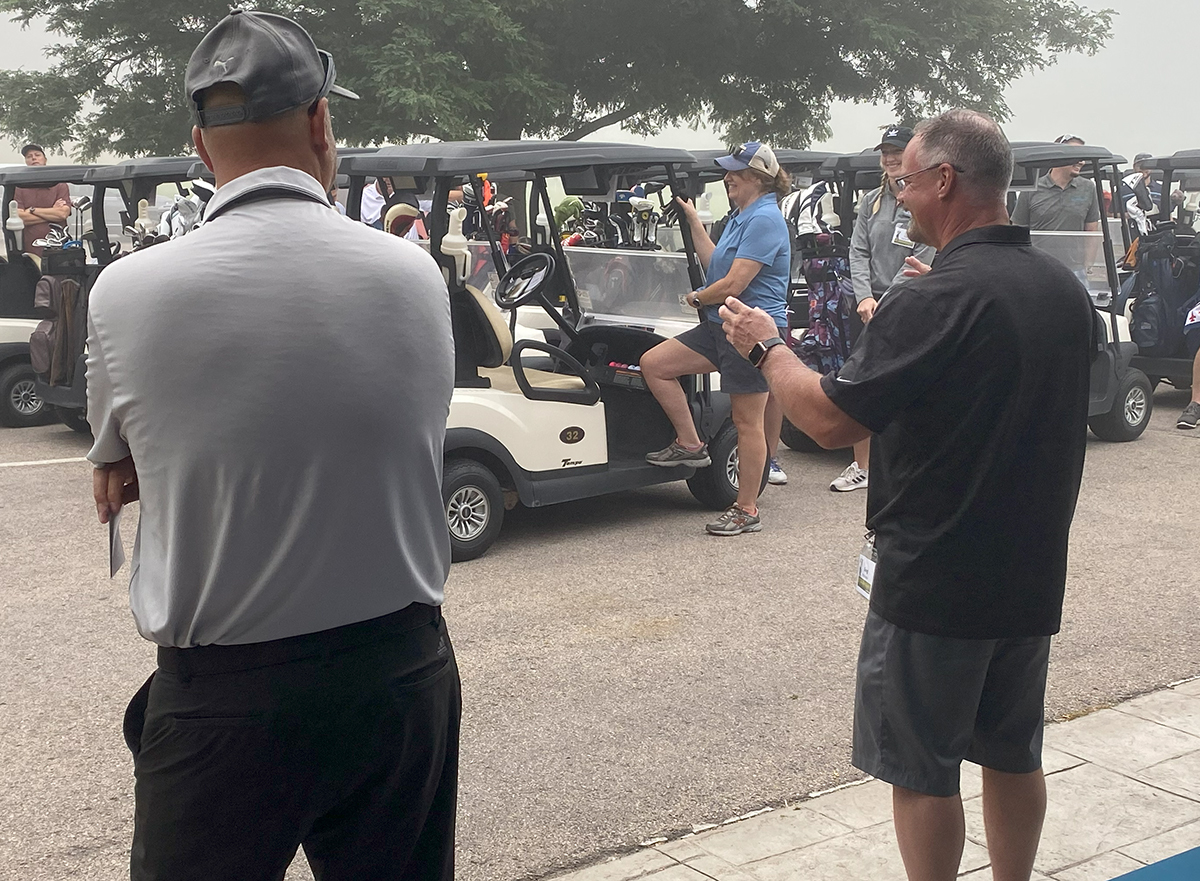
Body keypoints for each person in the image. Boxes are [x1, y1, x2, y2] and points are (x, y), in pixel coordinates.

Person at [85, 11, 460, 880]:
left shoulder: (125, 292)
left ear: (200, 146)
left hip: (224, 702)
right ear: (322, 121)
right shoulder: (413, 274)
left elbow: (117, 456)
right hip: (397, 676)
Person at [721, 109, 1092, 881]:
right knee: (1012, 749)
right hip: (1030, 569)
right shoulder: (1061, 289)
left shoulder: (933, 301)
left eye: (906, 181)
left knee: (922, 768)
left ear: (945, 181)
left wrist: (767, 344)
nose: (902, 197)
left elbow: (826, 418)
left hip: (935, 576)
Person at [640, 141, 791, 535]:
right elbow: (715, 263)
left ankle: (746, 508)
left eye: (734, 173)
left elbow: (735, 283)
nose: (727, 178)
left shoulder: (765, 219)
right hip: (720, 325)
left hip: (750, 330)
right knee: (655, 364)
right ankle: (690, 444)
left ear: (758, 178)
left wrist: (695, 297)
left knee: (746, 422)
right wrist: (692, 220)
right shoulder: (742, 215)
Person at [838, 125, 937, 494]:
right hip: (868, 304)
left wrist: (887, 302)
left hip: (906, 300)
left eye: (897, 152)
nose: (891, 159)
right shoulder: (871, 201)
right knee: (860, 381)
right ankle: (862, 466)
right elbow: (857, 251)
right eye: (885, 153)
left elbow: (920, 255)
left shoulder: (923, 197)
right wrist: (864, 297)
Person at [1010, 134, 1101, 282]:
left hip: (1075, 271)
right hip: (1037, 268)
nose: (1082, 161)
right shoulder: (1031, 189)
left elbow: (1091, 230)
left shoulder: (1088, 188)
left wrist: (1087, 265)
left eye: (1083, 156)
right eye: (1076, 155)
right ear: (1058, 156)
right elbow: (1018, 230)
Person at [14, 143, 72, 257]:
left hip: (58, 249)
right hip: (29, 250)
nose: (33, 158)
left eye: (37, 155)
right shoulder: (19, 187)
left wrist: (31, 210)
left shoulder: (59, 184)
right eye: (29, 156)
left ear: (45, 159)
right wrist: (51, 212)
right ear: (26, 161)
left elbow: (62, 214)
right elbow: (20, 218)